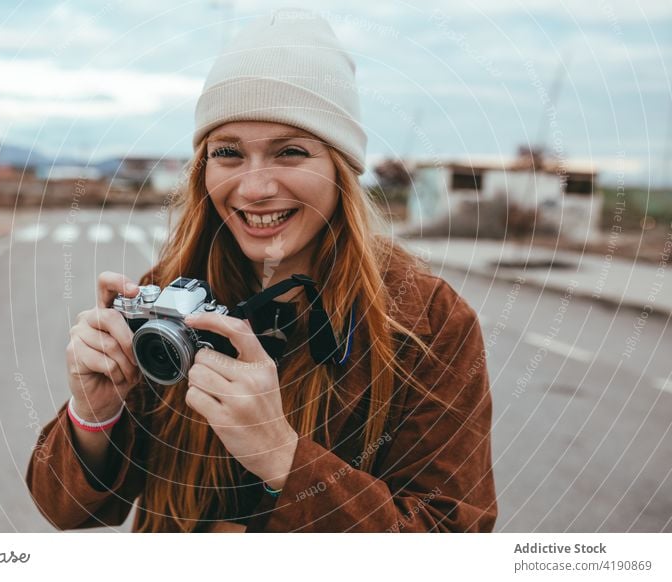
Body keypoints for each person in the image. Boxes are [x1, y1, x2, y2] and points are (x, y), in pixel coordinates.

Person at [26, 8, 497, 533]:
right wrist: (94, 411)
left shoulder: (428, 322)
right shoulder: (174, 292)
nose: (253, 188)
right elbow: (67, 509)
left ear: (341, 168)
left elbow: (453, 537)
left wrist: (282, 456)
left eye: (290, 151)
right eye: (228, 153)